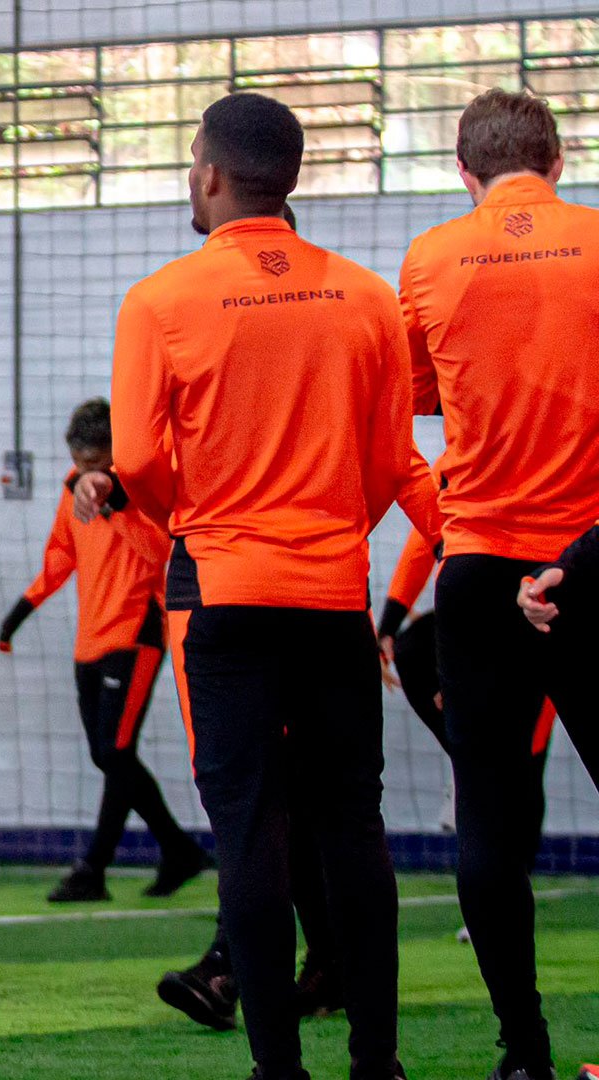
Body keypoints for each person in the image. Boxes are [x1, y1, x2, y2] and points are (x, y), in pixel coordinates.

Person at [80, 91, 424, 1080]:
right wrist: (329, 530)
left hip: (225, 593)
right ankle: (377, 1065)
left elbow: (140, 463)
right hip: (332, 598)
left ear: (210, 173)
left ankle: (280, 1070)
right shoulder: (365, 297)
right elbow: (390, 459)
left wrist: (201, 522)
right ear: (293, 178)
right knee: (354, 829)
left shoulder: (160, 301)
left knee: (251, 834)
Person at [403, 87, 599, 1080]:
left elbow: (420, 394)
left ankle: (523, 1053)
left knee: (484, 810)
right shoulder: (598, 242)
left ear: (463, 170)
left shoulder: (431, 258)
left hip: (478, 562)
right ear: (560, 161)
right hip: (594, 561)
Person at [0, 397, 208, 904]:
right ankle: (168, 853)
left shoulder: (144, 487)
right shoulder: (75, 491)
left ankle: (100, 864)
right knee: (110, 755)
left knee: (113, 751)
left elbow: (164, 553)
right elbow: (60, 554)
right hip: (89, 638)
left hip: (137, 634)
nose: (89, 475)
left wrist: (115, 506)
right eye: (81, 465)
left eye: (98, 465)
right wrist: (20, 613)